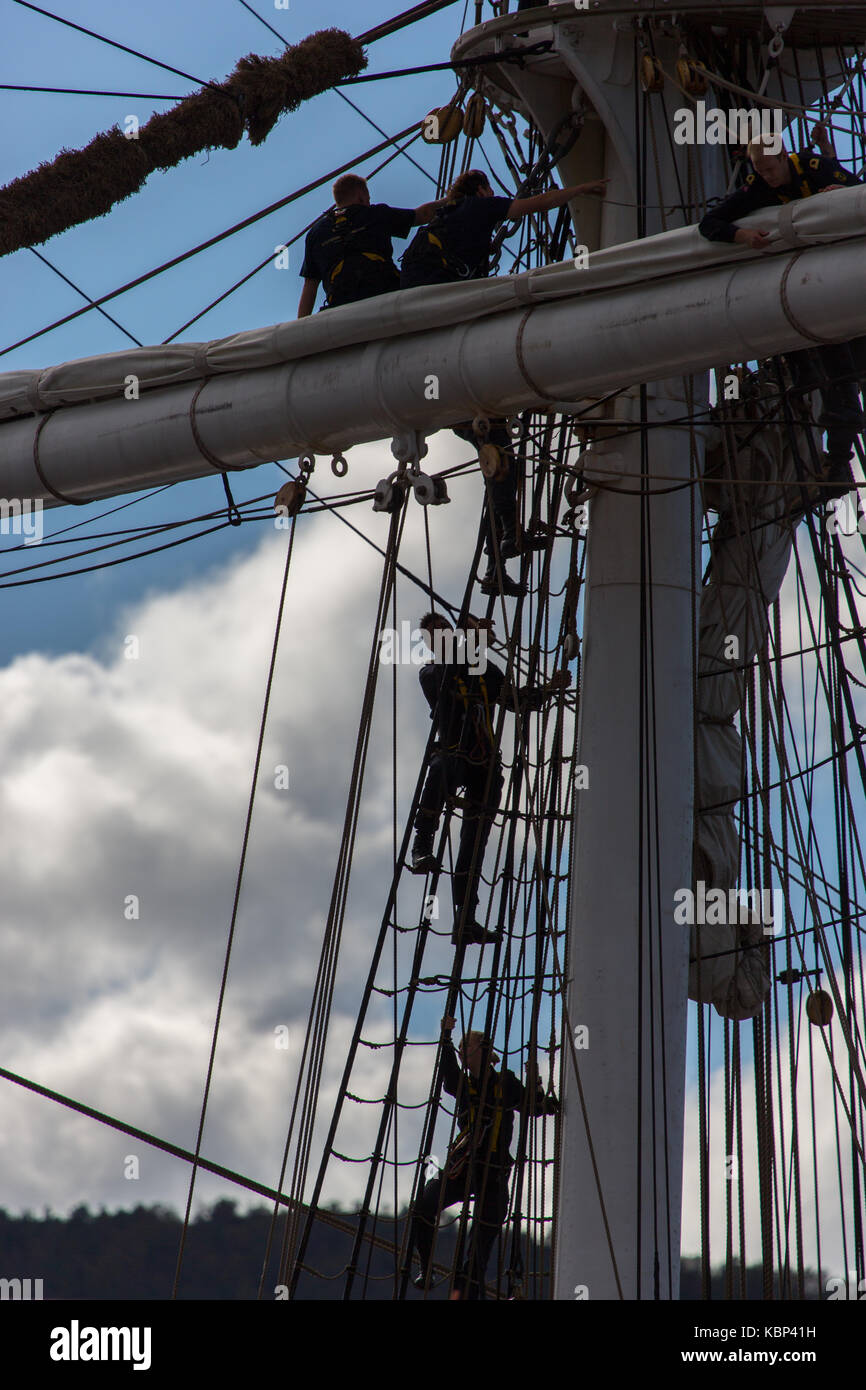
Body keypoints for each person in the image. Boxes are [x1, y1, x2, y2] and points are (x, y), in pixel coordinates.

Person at [400, 168, 608, 594]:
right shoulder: (478, 208)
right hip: (456, 364)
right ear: (480, 190)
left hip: (432, 360)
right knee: (501, 461)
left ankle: (501, 556)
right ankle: (506, 544)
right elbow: (531, 206)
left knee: (497, 461)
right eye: (489, 190)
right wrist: (581, 188)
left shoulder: (440, 220)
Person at [698, 126, 865, 501]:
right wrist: (743, 236)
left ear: (783, 156)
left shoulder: (817, 168)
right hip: (811, 296)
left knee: (843, 380)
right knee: (833, 376)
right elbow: (710, 223)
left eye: (769, 168)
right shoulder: (758, 186)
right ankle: (835, 460)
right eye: (758, 169)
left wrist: (840, 197)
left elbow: (860, 195)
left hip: (844, 288)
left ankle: (838, 464)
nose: (765, 176)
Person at [410, 612, 568, 945]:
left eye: (445, 629)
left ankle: (465, 919)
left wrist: (549, 689)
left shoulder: (482, 668)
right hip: (453, 755)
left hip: (484, 765)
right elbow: (449, 676)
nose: (442, 635)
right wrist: (472, 641)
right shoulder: (430, 674)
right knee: (438, 771)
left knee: (474, 841)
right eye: (434, 634)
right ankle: (421, 845)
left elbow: (515, 700)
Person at [409, 1014, 558, 1300]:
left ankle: (467, 1292)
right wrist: (445, 1038)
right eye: (460, 1046)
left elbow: (534, 1107)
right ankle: (426, 1268)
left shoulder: (506, 1083)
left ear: (485, 1051)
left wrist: (538, 1088)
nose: (461, 1050)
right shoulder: (463, 1085)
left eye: (467, 1045)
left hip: (494, 1173)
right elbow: (449, 1074)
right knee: (424, 1206)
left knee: (479, 1246)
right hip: (462, 1169)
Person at [297, 173, 444, 316]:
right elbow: (423, 214)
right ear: (361, 197)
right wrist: (450, 199)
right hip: (384, 291)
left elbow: (310, 286)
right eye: (368, 199)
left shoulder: (316, 232)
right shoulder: (376, 213)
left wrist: (301, 327)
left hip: (341, 305)